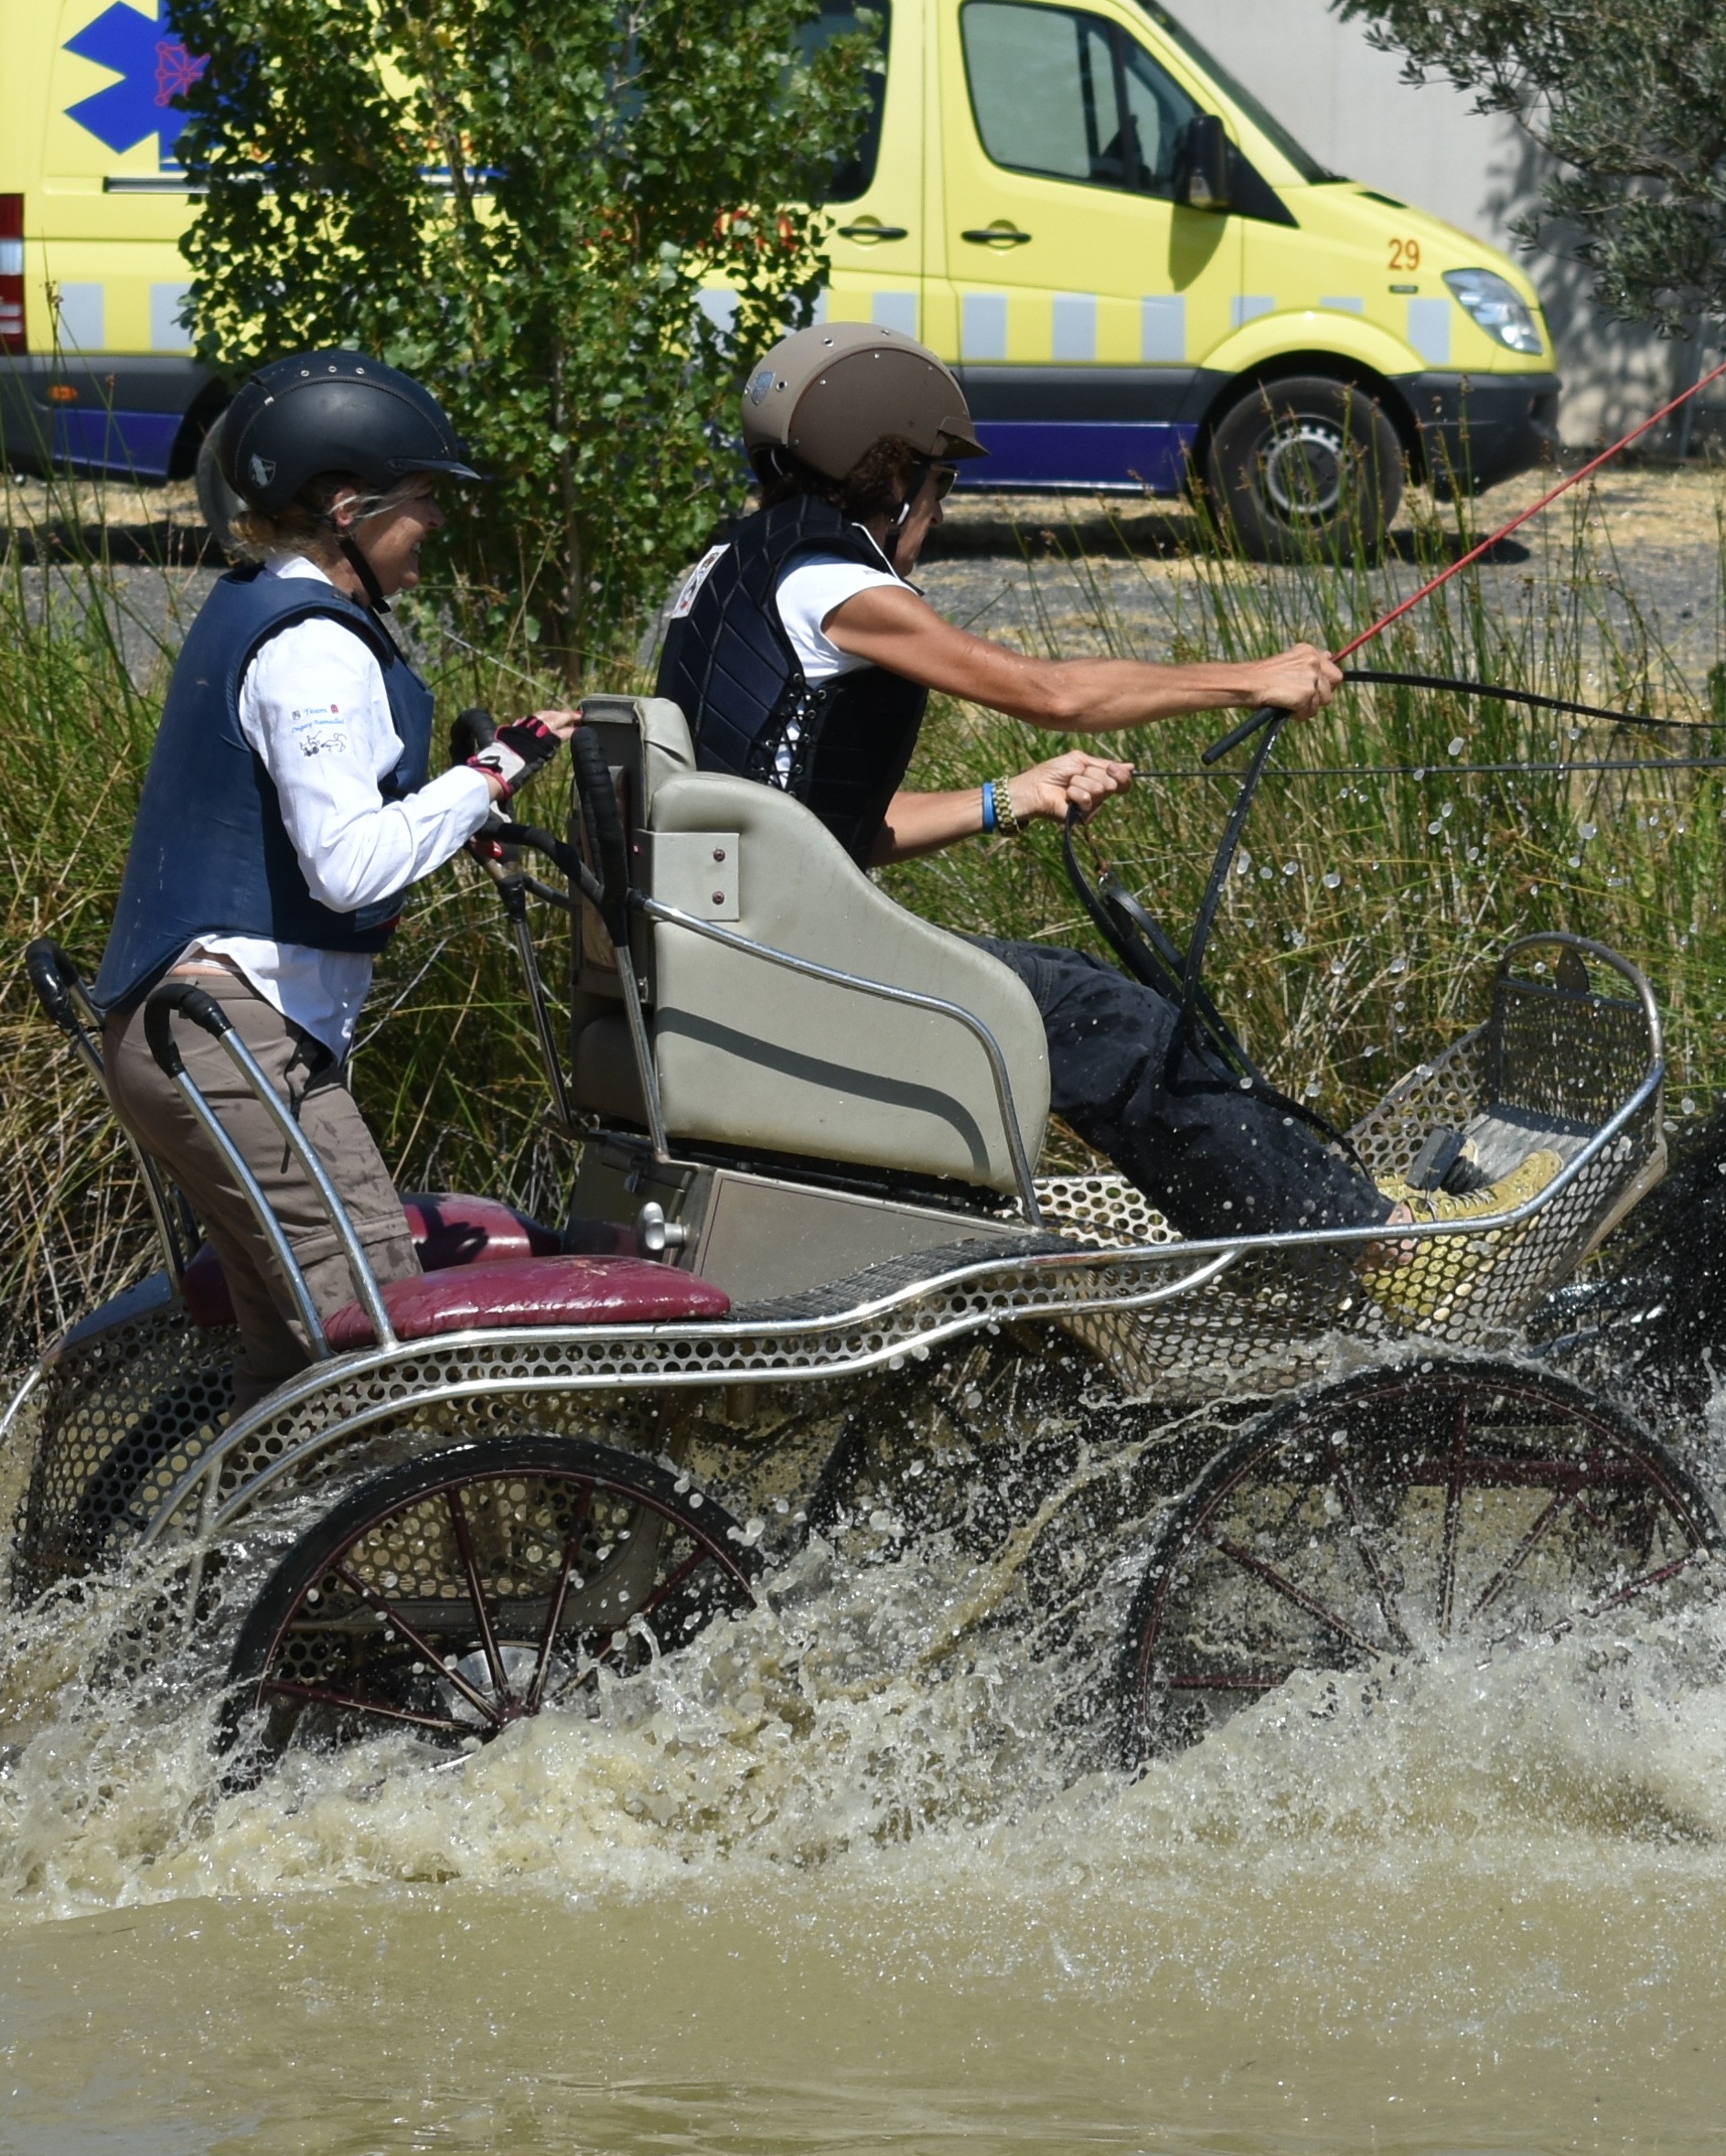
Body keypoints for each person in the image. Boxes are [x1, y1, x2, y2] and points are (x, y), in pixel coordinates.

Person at [653, 323, 1383, 1236]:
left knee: (1073, 992)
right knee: (1107, 1018)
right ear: (889, 469)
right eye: (940, 483)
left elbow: (814, 831)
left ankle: (1303, 1228)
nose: (942, 512)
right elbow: (1051, 693)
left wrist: (1009, 798)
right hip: (788, 967)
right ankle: (1350, 1243)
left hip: (745, 951)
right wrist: (1253, 678)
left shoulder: (728, 572)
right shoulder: (833, 586)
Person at [91, 351, 557, 1388]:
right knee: (373, 1339)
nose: (433, 524)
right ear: (349, 505)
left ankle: (255, 1549)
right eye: (421, 501)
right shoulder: (315, 647)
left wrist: (453, 797)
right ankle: (392, 1545)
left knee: (294, 1363)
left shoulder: (256, 602)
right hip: (230, 1039)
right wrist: (498, 768)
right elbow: (349, 867)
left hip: (192, 1035)